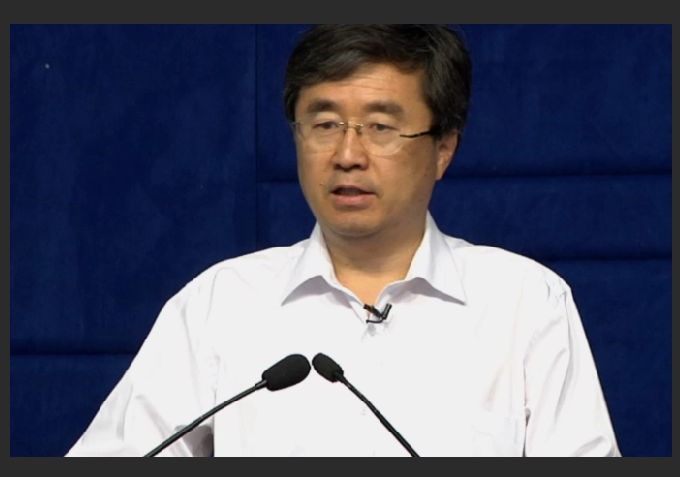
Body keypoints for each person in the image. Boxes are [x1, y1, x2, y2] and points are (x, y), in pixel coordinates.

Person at [66, 24, 620, 457]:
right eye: (325, 123)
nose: (347, 154)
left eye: (381, 127)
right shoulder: (219, 304)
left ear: (443, 148)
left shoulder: (525, 303)